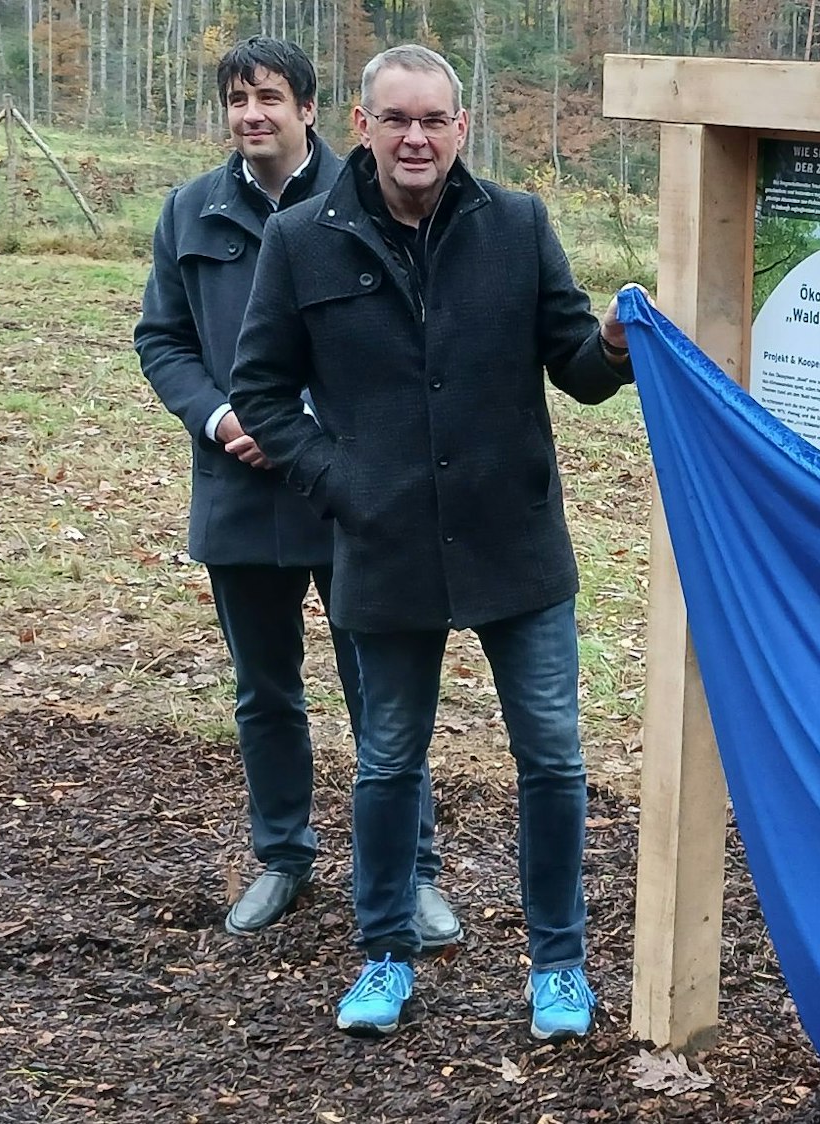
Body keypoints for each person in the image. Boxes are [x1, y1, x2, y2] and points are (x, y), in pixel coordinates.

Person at [227, 43, 639, 1041]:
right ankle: (382, 953)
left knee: (550, 761)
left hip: (518, 546)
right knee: (387, 762)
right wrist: (341, 480)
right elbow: (262, 392)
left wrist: (618, 348)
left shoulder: (519, 226)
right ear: (360, 127)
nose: (417, 137)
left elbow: (576, 369)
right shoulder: (300, 241)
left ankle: (559, 964)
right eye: (397, 119)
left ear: (463, 128)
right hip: (387, 547)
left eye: (435, 120)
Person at [133, 36, 457, 946]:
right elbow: (161, 339)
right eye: (237, 99)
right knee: (264, 690)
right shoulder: (189, 212)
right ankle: (282, 855)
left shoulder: (363, 205)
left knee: (379, 692)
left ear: (311, 109)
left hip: (344, 488)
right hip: (236, 489)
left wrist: (300, 427)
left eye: (269, 97)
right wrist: (219, 416)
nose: (252, 115)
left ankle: (409, 869)